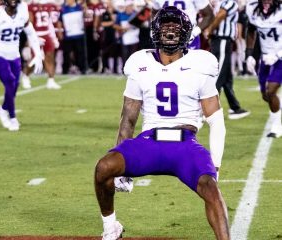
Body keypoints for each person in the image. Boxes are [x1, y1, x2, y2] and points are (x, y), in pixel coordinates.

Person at [94, 6, 230, 240]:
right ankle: (110, 228)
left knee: (211, 189)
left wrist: (215, 167)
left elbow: (216, 121)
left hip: (185, 144)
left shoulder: (201, 63)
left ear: (185, 33)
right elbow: (129, 117)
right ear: (156, 32)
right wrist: (122, 165)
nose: (170, 33)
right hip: (149, 140)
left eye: (175, 28)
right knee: (104, 168)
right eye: (165, 28)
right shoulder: (140, 62)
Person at [0, 0, 43, 131]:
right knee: (10, 82)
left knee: (15, 84)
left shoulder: (23, 12)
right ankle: (12, 117)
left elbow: (31, 33)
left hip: (14, 54)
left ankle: (3, 109)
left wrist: (38, 54)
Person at [204, 0, 250, 120]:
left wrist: (210, 30)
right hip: (222, 40)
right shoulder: (229, 3)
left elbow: (219, 15)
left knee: (227, 78)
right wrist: (210, 31)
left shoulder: (222, 3)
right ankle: (206, 109)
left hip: (222, 41)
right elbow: (221, 15)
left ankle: (235, 108)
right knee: (218, 74)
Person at [245, 0, 282, 137]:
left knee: (271, 90)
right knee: (266, 96)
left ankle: (276, 126)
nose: (266, 1)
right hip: (265, 56)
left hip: (280, 56)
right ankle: (278, 105)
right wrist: (249, 55)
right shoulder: (253, 9)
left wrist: (277, 54)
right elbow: (251, 30)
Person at [21, 0, 62, 90]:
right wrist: (30, 38)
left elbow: (50, 23)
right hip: (36, 35)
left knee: (50, 57)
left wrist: (53, 37)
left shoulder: (48, 5)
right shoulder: (31, 6)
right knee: (34, 59)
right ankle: (25, 76)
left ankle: (51, 80)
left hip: (47, 34)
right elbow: (29, 23)